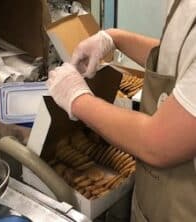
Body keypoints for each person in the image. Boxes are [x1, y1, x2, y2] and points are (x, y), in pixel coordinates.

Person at [46, 0, 196, 221]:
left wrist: (77, 98)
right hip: (156, 200)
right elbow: (179, 62)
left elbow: (158, 143)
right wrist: (115, 39)